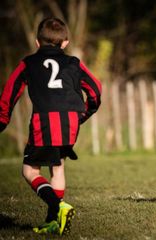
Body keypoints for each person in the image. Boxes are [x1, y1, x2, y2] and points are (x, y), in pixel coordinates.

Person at [0, 17, 102, 235]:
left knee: (29, 170)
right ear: (65, 42)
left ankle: (57, 206)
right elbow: (95, 89)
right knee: (57, 167)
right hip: (70, 122)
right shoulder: (74, 63)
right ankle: (53, 221)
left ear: (37, 42)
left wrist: (2, 120)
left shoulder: (28, 63)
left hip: (44, 122)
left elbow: (10, 93)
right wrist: (86, 111)